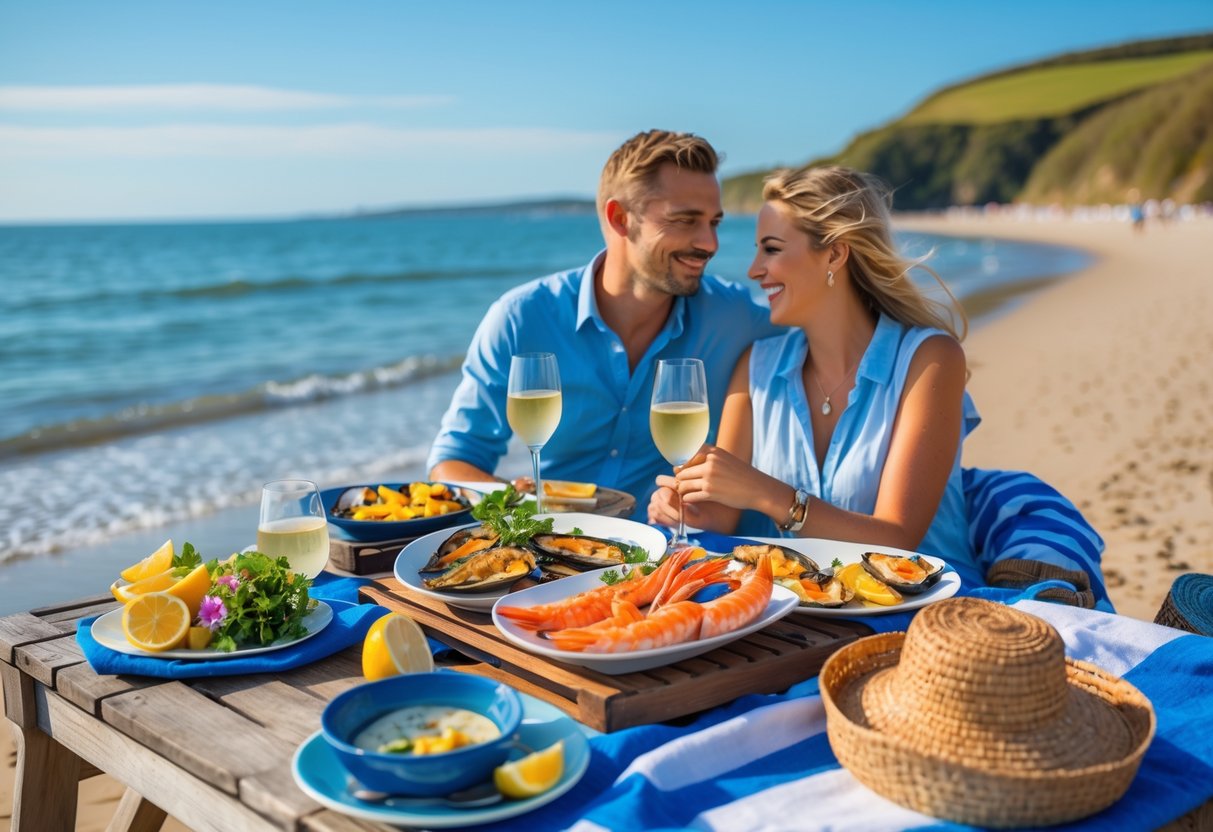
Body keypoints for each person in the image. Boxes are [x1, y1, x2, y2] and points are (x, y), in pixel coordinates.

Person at [648, 165, 984, 586]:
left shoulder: (930, 359)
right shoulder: (754, 367)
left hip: (930, 612)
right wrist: (686, 511)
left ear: (835, 254)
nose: (753, 269)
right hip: (806, 610)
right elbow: (722, 518)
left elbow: (899, 542)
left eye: (771, 249)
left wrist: (769, 494)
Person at [427, 130, 782, 519]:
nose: (710, 243)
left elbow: (827, 336)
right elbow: (452, 463)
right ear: (620, 218)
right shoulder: (519, 319)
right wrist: (525, 508)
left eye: (714, 222)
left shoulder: (733, 317)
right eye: (685, 220)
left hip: (668, 556)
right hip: (558, 550)